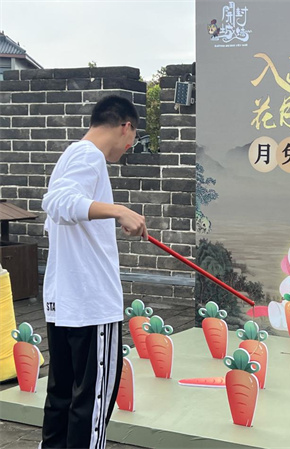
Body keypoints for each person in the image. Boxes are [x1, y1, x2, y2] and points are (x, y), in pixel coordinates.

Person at [40, 95, 147, 449]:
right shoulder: (90, 157)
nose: (130, 147)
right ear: (126, 127)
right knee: (91, 405)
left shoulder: (70, 156)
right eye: (134, 137)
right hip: (91, 305)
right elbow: (57, 204)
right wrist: (119, 211)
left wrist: (108, 215)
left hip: (65, 303)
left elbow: (59, 213)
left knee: (61, 399)